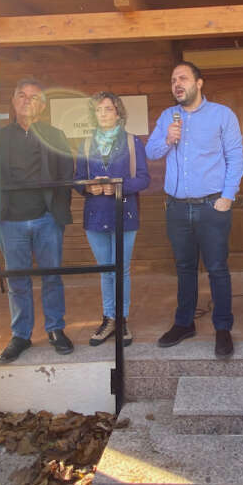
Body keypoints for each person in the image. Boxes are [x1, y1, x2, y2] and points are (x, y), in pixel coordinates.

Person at [145, 61, 243, 358]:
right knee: (184, 268)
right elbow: (151, 152)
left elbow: (235, 157)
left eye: (183, 78)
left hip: (212, 206)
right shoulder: (167, 117)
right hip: (177, 208)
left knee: (217, 269)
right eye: (173, 80)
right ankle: (184, 323)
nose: (177, 84)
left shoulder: (222, 115)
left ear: (199, 83)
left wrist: (227, 197)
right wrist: (168, 139)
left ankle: (222, 328)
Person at [0, 78, 75, 363]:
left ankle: (55, 329)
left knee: (52, 277)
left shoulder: (54, 135)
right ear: (13, 101)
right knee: (17, 281)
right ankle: (21, 335)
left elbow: (67, 173)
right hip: (11, 221)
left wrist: (57, 211)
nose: (27, 100)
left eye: (33, 97)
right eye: (21, 95)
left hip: (46, 219)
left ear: (42, 105)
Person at [74, 93, 151, 347]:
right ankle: (109, 318)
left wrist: (118, 186)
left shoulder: (132, 142)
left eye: (108, 109)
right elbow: (77, 180)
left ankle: (122, 319)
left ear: (118, 113)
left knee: (121, 269)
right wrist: (89, 187)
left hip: (124, 214)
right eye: (99, 110)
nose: (103, 114)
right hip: (95, 216)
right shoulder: (86, 144)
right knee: (105, 270)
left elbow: (143, 179)